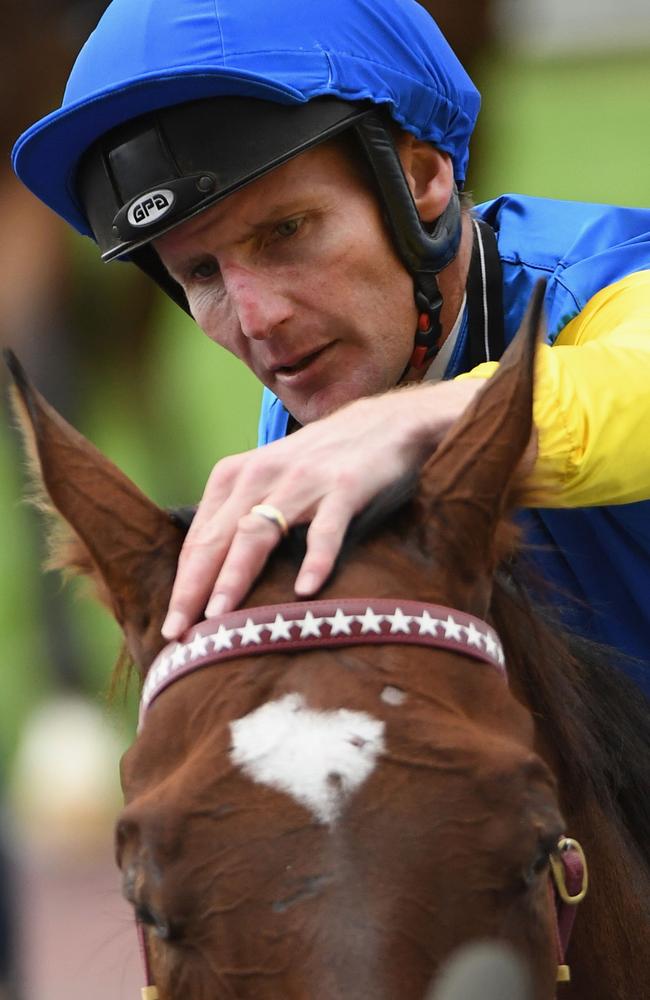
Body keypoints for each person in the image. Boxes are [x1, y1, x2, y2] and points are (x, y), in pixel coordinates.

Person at [12, 0, 650, 693]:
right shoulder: (321, 400)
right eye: (201, 272)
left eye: (286, 231)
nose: (257, 320)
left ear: (424, 178)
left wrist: (417, 422)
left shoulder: (599, 278)